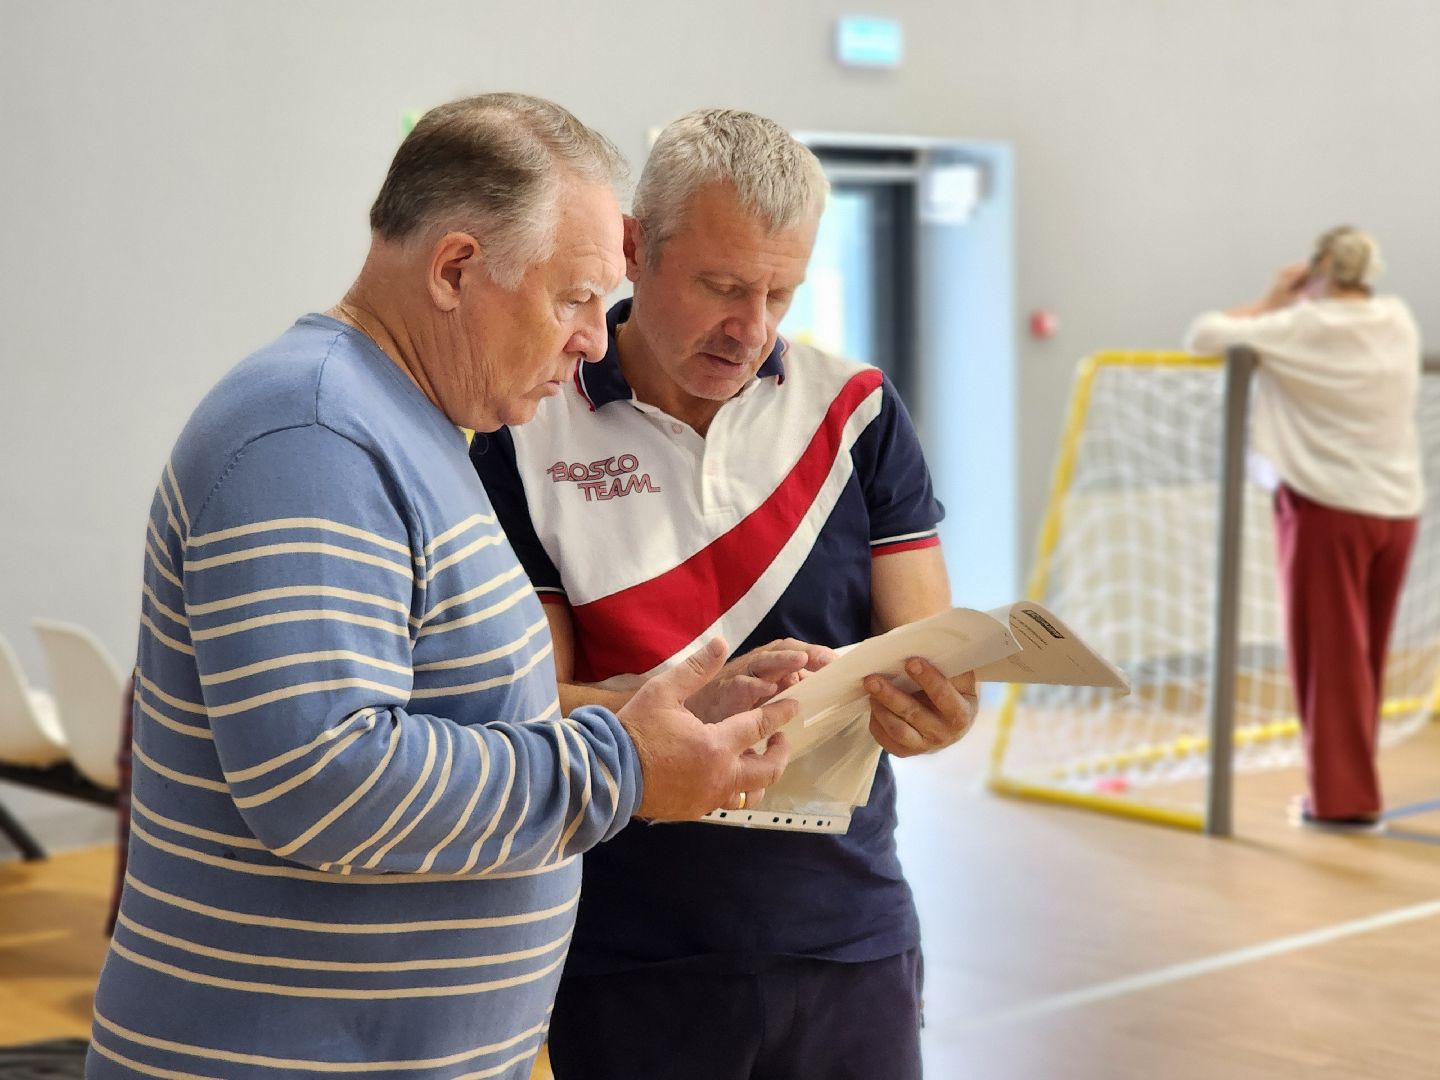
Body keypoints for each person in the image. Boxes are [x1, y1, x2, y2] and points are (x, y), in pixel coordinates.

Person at [87, 93, 798, 1080]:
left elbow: (450, 712)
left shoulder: (406, 427)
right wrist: (622, 768)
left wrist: (653, 716)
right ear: (458, 268)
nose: (596, 339)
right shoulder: (312, 433)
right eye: (574, 299)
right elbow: (325, 783)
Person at [471, 108, 980, 1080]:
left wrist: (942, 712)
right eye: (722, 286)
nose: (751, 329)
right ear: (633, 246)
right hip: (630, 953)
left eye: (781, 293)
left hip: (852, 937)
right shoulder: (527, 430)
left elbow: (927, 659)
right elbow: (521, 709)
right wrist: (675, 708)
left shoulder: (857, 410)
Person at [1186, 225, 1423, 833]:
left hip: (1330, 509)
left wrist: (1273, 299)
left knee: (1329, 660)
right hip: (1397, 512)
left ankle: (1342, 802)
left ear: (1318, 267)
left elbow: (1204, 334)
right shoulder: (1396, 317)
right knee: (1363, 658)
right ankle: (1350, 788)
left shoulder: (1300, 325)